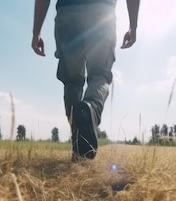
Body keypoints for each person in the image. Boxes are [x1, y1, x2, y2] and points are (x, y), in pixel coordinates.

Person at [32, 0, 140, 161]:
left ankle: (79, 145)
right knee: (99, 75)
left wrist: (36, 33)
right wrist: (133, 26)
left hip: (67, 14)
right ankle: (92, 108)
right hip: (102, 12)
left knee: (72, 82)